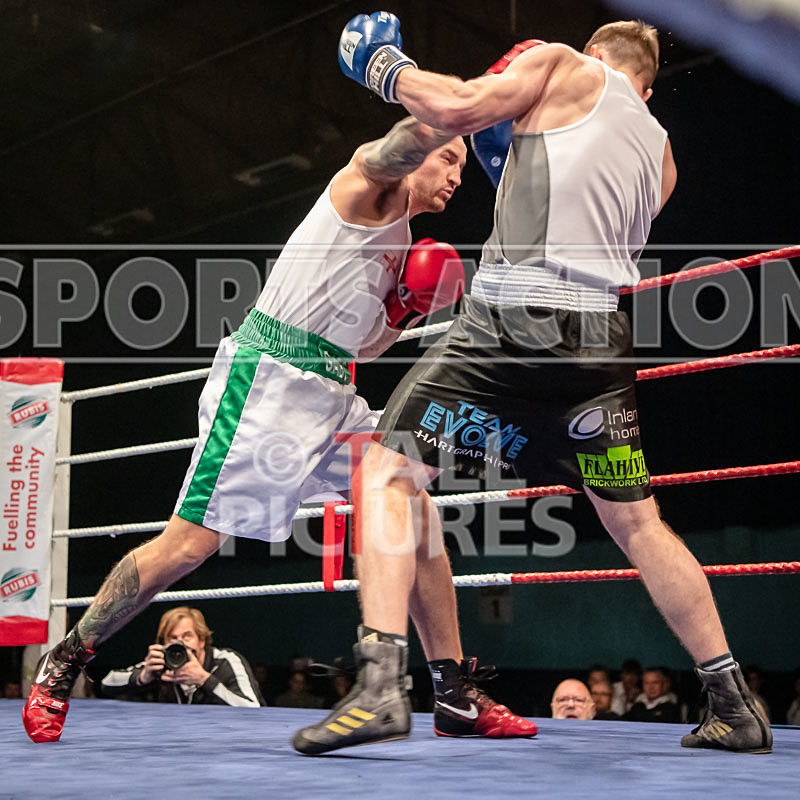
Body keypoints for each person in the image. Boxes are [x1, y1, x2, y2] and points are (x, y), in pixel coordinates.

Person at [297, 13, 774, 755]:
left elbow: (452, 107)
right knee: (639, 524)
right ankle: (733, 701)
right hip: (599, 350)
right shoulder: (661, 156)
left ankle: (382, 686)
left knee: (386, 470)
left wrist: (385, 67)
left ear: (595, 56)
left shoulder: (562, 67)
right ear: (647, 86)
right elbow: (574, 206)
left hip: (515, 322)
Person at [23, 112, 533, 746]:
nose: (458, 175)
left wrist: (404, 307)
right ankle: (69, 655)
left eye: (462, 163)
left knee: (412, 506)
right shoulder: (364, 189)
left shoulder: (404, 242)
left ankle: (453, 690)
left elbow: (366, 348)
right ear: (420, 147)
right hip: (268, 379)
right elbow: (388, 149)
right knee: (190, 545)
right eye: (448, 158)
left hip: (334, 390)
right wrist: (438, 103)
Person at [100, 606, 263, 707]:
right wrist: (143, 676)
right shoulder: (164, 662)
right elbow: (107, 682)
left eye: (187, 636)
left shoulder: (226, 660)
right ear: (164, 643)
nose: (181, 644)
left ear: (201, 640)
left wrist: (204, 680)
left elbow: (251, 707)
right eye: (173, 638)